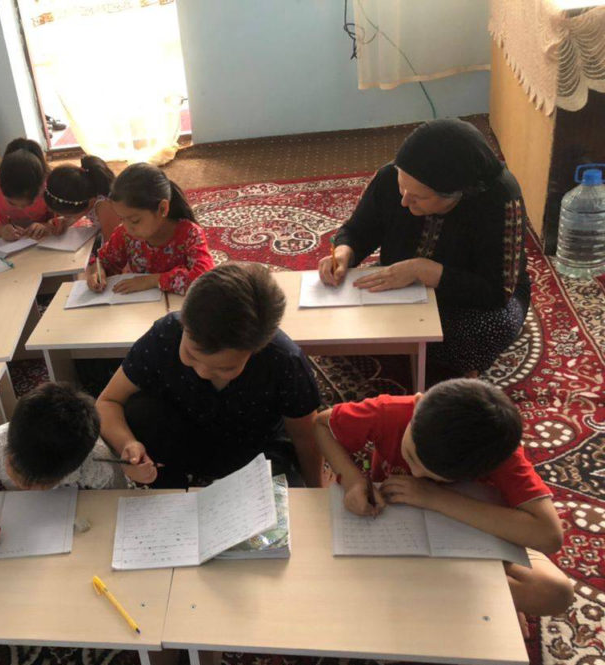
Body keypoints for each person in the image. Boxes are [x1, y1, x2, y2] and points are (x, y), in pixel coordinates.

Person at [313, 378, 573, 620]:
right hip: (393, 526)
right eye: (411, 457)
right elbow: (323, 424)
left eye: (437, 477)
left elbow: (549, 536)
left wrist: (435, 498)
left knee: (555, 592)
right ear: (416, 406)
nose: (416, 474)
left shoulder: (499, 453)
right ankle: (451, 596)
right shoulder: (391, 411)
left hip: (471, 536)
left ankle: (445, 596)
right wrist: (352, 480)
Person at [318, 118, 531, 376]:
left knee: (487, 330)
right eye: (401, 188)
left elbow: (496, 292)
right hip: (401, 283)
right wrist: (343, 253)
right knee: (334, 316)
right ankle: (415, 352)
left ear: (457, 193)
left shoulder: (499, 201)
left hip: (470, 302)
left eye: (418, 197)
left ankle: (437, 362)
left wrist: (426, 271)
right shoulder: (391, 176)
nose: (405, 201)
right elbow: (358, 230)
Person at [96, 262, 323, 489]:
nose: (203, 372)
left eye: (226, 368)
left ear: (256, 350)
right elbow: (108, 401)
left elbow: (306, 438)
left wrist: (316, 491)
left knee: (285, 498)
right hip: (183, 435)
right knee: (138, 411)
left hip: (253, 448)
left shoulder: (283, 359)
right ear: (184, 324)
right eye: (191, 355)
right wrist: (127, 444)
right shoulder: (166, 336)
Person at [0, 383, 125, 549]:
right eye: (15, 468)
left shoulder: (97, 463)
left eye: (38, 483)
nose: (22, 484)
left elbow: (117, 502)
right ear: (9, 448)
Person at [85, 163, 213, 296]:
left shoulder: (190, 235)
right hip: (140, 311)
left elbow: (204, 281)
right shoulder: (124, 234)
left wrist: (153, 280)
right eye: (122, 219)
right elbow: (103, 261)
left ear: (162, 209)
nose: (128, 227)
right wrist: (97, 272)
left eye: (135, 220)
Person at [0, 138, 65, 242]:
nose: (20, 208)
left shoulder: (51, 184)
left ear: (41, 187)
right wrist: (1, 230)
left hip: (44, 240)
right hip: (10, 243)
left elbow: (60, 220)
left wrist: (46, 226)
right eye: (11, 203)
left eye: (29, 203)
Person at [43, 154, 121, 237]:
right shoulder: (86, 193)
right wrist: (65, 222)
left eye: (68, 215)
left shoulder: (105, 207)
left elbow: (111, 245)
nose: (66, 217)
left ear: (90, 202)